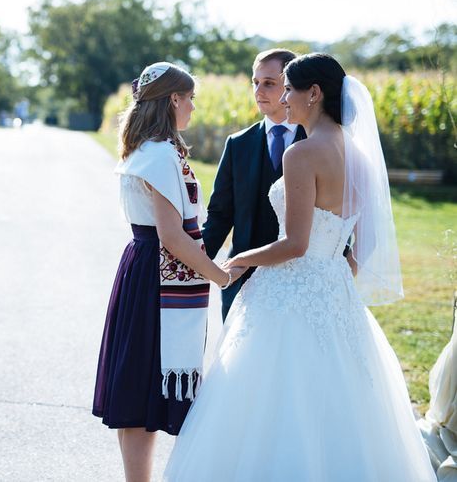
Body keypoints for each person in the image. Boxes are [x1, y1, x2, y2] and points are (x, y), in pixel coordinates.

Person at [163, 53, 436, 481]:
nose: (283, 98)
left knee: (270, 398)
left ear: (315, 92)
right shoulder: (360, 156)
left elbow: (294, 244)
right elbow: (368, 242)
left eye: (288, 88)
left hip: (287, 295)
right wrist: (333, 276)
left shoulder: (303, 154)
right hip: (336, 294)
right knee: (340, 400)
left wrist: (240, 259)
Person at [92, 62, 244, 482]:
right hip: (153, 280)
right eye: (189, 98)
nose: (193, 107)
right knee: (141, 398)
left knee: (137, 393)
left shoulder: (147, 148)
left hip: (142, 269)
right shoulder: (159, 153)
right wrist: (220, 275)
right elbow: (173, 238)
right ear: (173, 99)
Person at [202, 49, 306, 321]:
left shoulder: (318, 141)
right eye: (255, 82)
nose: (259, 90)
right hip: (243, 281)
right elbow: (220, 215)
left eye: (269, 83)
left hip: (300, 277)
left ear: (290, 84)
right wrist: (194, 265)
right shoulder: (238, 144)